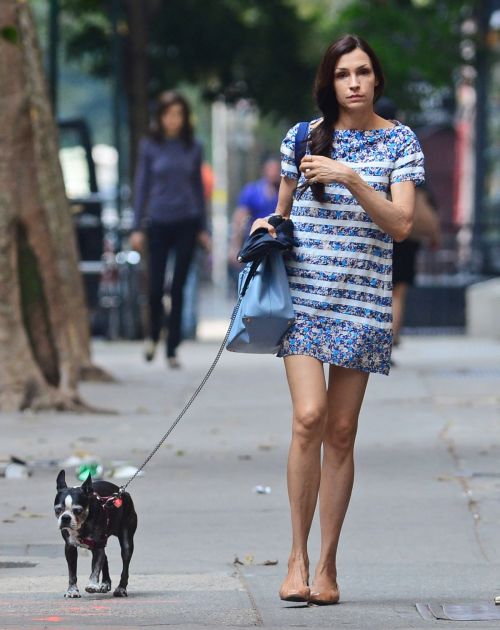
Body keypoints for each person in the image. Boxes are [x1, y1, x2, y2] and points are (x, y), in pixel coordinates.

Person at [251, 34, 424, 605]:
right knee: (310, 416)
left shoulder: (400, 141)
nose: (354, 82)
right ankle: (296, 558)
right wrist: (264, 227)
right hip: (302, 297)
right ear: (330, 81)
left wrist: (350, 177)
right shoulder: (302, 137)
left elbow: (400, 224)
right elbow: (281, 214)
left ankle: (327, 565)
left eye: (364, 72)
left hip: (363, 302)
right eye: (344, 73)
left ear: (377, 80)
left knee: (342, 433)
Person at [130, 91, 211, 368]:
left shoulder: (193, 146)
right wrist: (136, 226)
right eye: (168, 114)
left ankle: (172, 348)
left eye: (178, 114)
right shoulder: (150, 146)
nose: (173, 120)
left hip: (187, 220)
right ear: (160, 117)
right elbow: (142, 187)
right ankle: (153, 334)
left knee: (178, 287)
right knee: (155, 288)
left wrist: (204, 228)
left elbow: (199, 191)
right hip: (159, 221)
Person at [392, 186, 441, 347]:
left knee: (393, 291)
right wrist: (435, 235)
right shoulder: (415, 183)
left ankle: (389, 338)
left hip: (390, 232)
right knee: (397, 292)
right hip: (405, 238)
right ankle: (391, 338)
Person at [228, 158, 281, 266]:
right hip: (256, 243)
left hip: (278, 244)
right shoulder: (252, 191)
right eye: (271, 169)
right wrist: (235, 246)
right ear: (264, 170)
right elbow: (239, 218)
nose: (274, 173)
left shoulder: (283, 192)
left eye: (276, 169)